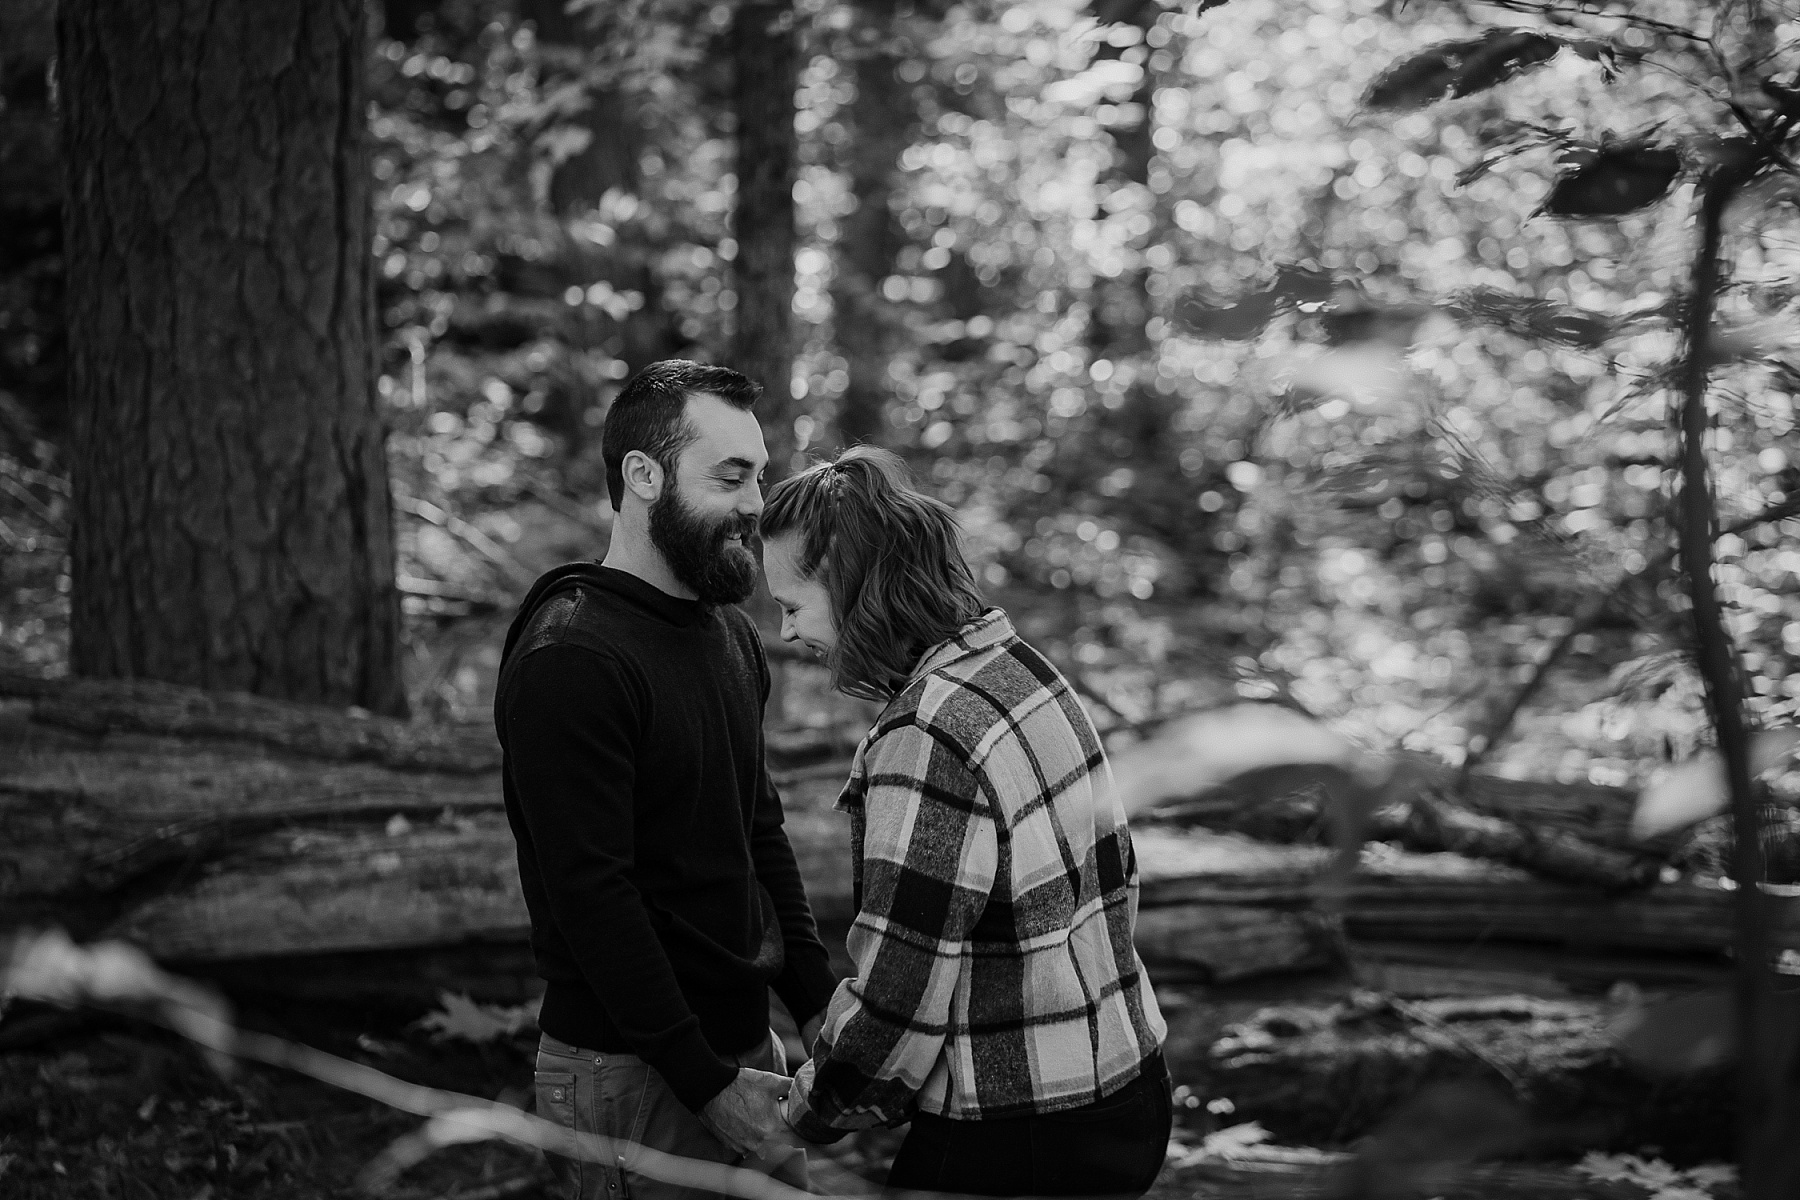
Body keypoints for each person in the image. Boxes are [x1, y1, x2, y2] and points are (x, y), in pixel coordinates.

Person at [757, 446, 1171, 1197]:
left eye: (791, 605)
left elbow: (899, 997)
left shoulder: (926, 736)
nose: (785, 633)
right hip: (1129, 1089)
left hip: (1020, 1135)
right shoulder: (1023, 669)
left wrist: (805, 1111)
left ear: (852, 588)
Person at [495, 360, 837, 1200]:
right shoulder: (572, 654)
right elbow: (592, 897)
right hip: (630, 1074)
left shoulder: (727, 636)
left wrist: (819, 1003)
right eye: (730, 477)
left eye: (759, 475)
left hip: (744, 1048)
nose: (757, 503)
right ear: (643, 476)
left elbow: (756, 833)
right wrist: (706, 1084)